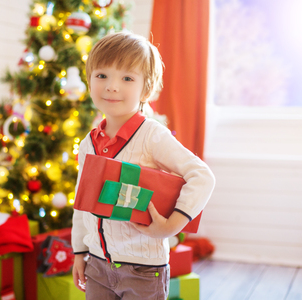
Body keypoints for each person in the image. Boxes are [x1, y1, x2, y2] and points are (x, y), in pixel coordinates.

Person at [72, 31, 215, 300]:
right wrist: (79, 251)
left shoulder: (152, 135)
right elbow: (82, 204)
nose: (112, 86)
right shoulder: (87, 144)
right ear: (89, 80)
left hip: (144, 270)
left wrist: (172, 225)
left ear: (145, 89)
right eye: (102, 75)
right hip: (97, 266)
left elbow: (202, 176)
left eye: (127, 78)